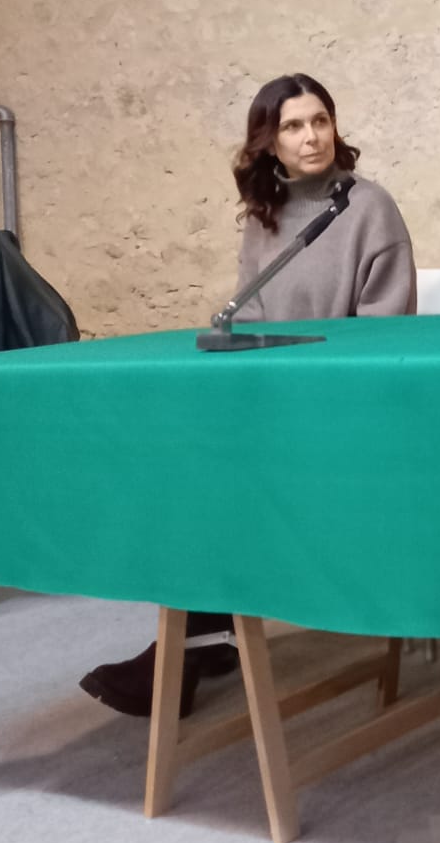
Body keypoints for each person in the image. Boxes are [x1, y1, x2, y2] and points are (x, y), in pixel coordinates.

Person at [79, 73, 416, 718]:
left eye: (320, 121)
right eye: (293, 126)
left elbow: (385, 337)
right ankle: (198, 643)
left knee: (221, 484)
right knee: (187, 466)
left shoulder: (367, 207)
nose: (311, 137)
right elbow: (250, 324)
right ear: (269, 142)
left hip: (344, 419)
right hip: (276, 413)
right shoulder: (265, 217)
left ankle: (188, 650)